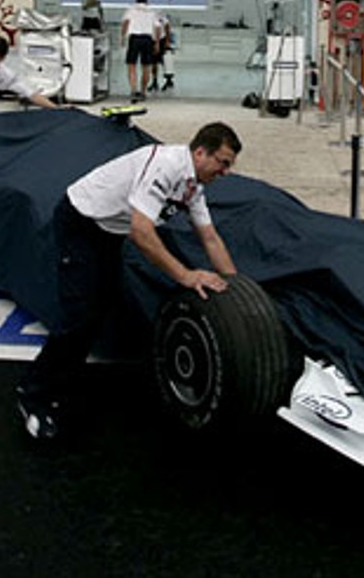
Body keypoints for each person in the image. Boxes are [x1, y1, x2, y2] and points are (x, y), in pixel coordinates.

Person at [16, 122, 243, 440]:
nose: (226, 171)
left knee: (101, 305)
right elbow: (141, 232)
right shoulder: (166, 165)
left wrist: (239, 291)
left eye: (229, 165)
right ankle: (32, 392)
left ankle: (66, 380)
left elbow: (210, 238)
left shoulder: (193, 187)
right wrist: (185, 275)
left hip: (109, 231)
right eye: (223, 162)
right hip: (81, 222)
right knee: (79, 316)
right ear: (200, 152)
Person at [119, 0, 161, 101]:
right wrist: (156, 42)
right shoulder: (152, 11)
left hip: (134, 38)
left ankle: (133, 90)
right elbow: (157, 27)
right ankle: (143, 92)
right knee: (146, 66)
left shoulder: (131, 9)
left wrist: (122, 36)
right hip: (147, 39)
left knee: (131, 65)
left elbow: (125, 23)